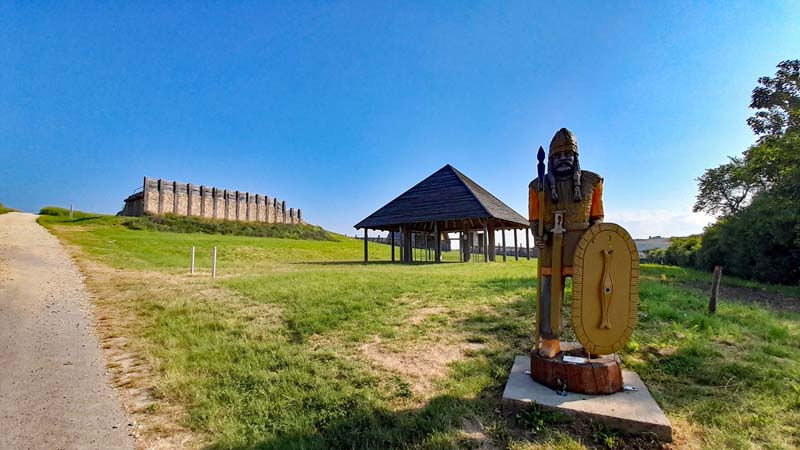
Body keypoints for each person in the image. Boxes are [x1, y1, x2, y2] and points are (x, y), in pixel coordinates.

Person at [529, 128, 605, 358]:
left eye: (567, 155)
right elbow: (535, 219)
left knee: (590, 296)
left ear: (576, 156)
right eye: (558, 156)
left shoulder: (592, 181)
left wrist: (594, 238)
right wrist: (538, 235)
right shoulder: (537, 186)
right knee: (549, 296)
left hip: (583, 247)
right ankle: (550, 340)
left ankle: (592, 340)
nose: (563, 159)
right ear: (551, 160)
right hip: (551, 248)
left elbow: (597, 217)